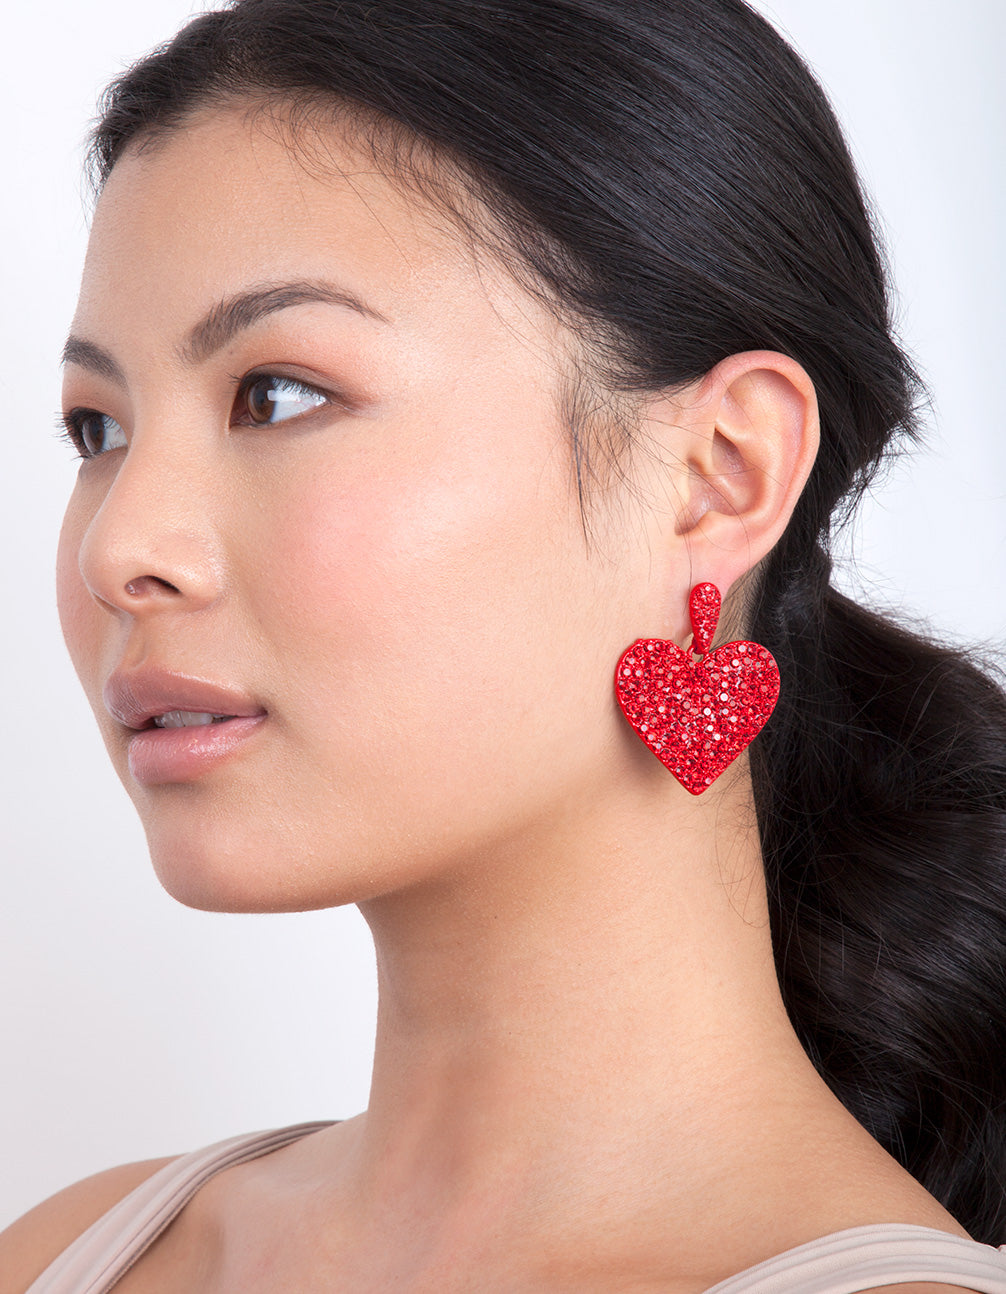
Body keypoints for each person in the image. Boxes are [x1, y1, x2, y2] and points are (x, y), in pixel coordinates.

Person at [3, 0, 1006, 1290]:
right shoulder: (68, 1254)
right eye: (97, 429)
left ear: (718, 473)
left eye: (279, 394)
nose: (119, 548)